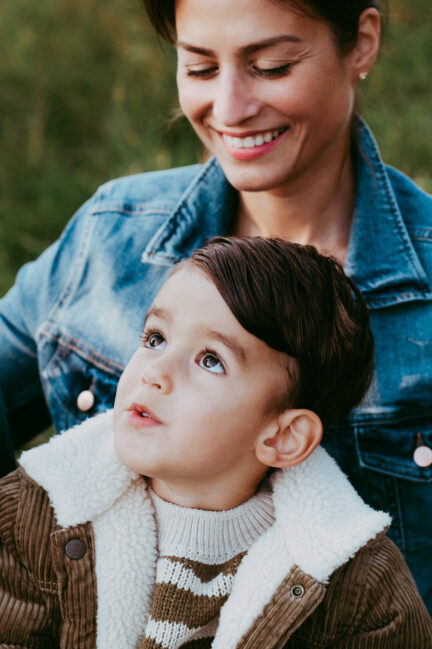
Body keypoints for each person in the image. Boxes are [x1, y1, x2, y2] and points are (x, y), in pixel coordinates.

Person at [0, 0, 431, 612]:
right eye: (200, 69)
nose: (228, 109)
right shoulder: (109, 235)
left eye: (273, 66)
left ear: (361, 42)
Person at [0, 236, 431, 648]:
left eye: (210, 361)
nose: (155, 372)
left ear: (283, 437)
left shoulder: (358, 586)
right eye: (155, 338)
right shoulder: (35, 514)